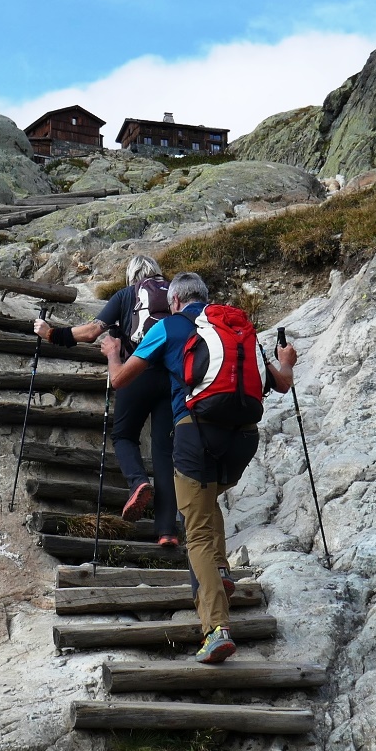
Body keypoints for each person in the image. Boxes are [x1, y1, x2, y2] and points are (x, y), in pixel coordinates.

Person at [103, 272, 297, 664]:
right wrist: (287, 361)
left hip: (195, 434)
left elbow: (121, 380)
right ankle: (221, 572)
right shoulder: (236, 325)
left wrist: (111, 351)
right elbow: (281, 383)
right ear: (205, 298)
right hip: (243, 438)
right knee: (208, 499)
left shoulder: (169, 327)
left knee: (198, 533)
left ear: (174, 301)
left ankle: (216, 630)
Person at [35, 256, 179, 544]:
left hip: (135, 371)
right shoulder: (176, 293)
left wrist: (51, 333)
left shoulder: (127, 295)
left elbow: (91, 332)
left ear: (132, 275)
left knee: (124, 435)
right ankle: (167, 532)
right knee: (164, 454)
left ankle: (138, 482)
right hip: (173, 377)